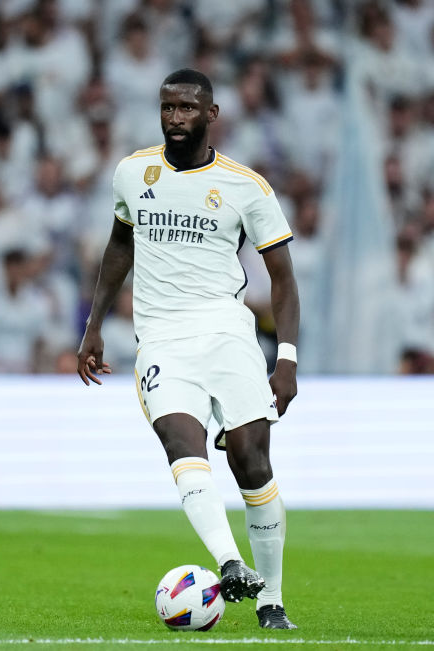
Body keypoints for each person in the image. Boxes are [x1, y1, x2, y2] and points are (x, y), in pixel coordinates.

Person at [77, 69, 301, 630]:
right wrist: (93, 325)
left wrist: (288, 358)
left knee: (251, 460)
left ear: (211, 114)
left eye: (186, 108)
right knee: (181, 439)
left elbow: (283, 278)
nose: (175, 118)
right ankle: (229, 562)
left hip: (228, 332)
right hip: (160, 338)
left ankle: (271, 599)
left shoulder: (247, 186)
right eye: (167, 108)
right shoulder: (133, 173)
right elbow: (118, 246)